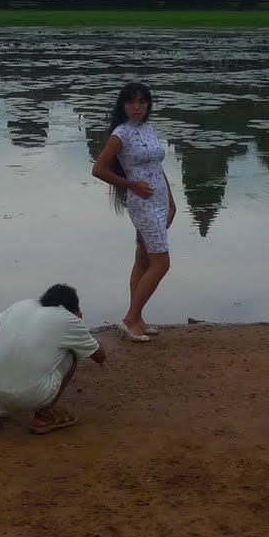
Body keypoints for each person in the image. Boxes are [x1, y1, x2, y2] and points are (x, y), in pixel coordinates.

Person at [92, 82, 175, 342]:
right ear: (123, 106)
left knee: (143, 258)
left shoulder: (148, 130)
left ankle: (137, 318)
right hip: (142, 203)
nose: (136, 107)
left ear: (148, 105)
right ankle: (129, 319)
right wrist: (132, 185)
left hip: (160, 200)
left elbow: (156, 166)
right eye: (131, 102)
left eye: (141, 102)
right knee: (161, 263)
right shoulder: (121, 134)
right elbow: (99, 169)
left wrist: (171, 200)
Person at [0, 283, 106, 433]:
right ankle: (44, 416)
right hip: (30, 397)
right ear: (72, 309)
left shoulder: (23, 304)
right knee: (72, 352)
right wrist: (79, 323)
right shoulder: (68, 319)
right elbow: (100, 356)